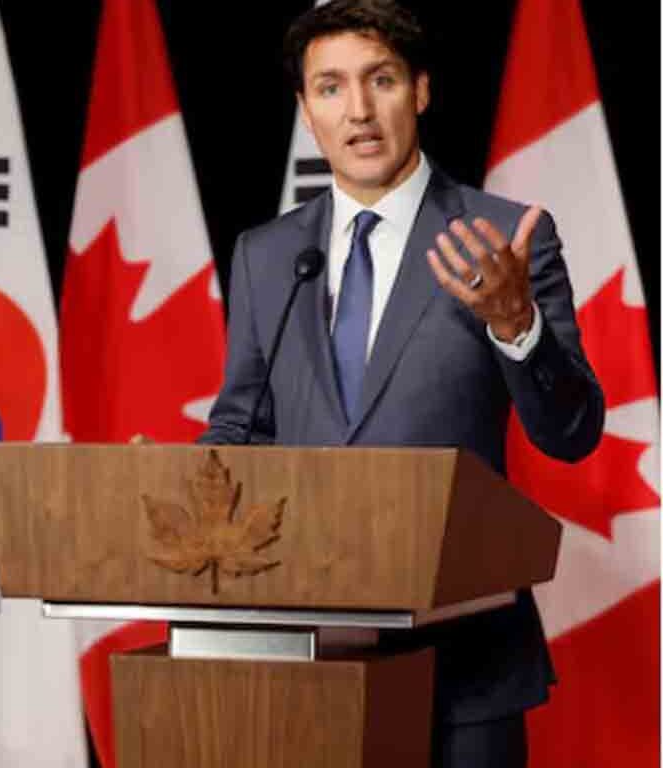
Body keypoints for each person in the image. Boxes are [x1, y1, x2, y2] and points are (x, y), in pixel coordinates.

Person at [200, 1, 604, 766]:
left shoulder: (504, 237)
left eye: (379, 79)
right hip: (305, 661)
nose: (356, 110)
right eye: (329, 87)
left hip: (467, 667)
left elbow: (574, 432)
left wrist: (517, 324)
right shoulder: (267, 254)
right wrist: (182, 481)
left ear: (419, 90)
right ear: (305, 109)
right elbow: (242, 426)